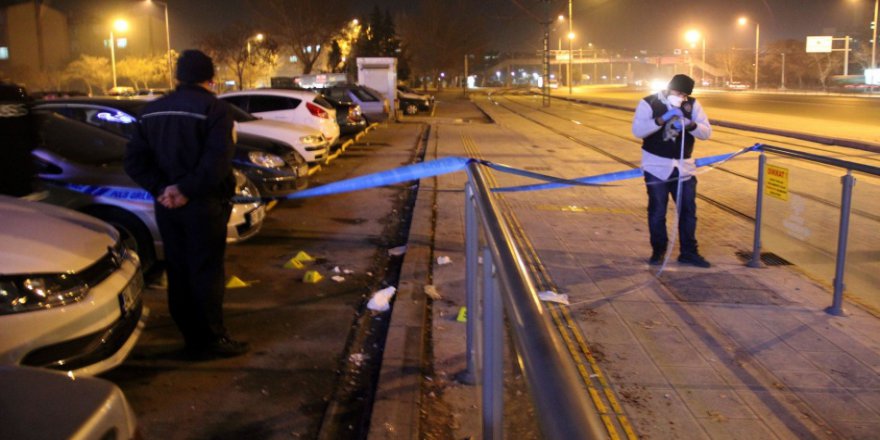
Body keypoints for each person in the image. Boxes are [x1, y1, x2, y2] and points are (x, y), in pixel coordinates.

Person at [124, 50, 249, 357]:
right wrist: (186, 190)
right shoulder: (216, 110)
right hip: (203, 206)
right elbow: (217, 162)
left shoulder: (150, 111)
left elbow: (135, 161)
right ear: (211, 78)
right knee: (206, 270)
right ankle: (210, 339)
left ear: (178, 77)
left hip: (167, 207)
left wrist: (163, 190)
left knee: (178, 271)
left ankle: (190, 335)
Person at [631, 74, 712, 268]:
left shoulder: (692, 105)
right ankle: (658, 250)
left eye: (684, 95)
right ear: (668, 89)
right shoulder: (648, 103)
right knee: (657, 211)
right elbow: (638, 131)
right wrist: (660, 120)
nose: (681, 97)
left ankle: (689, 252)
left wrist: (690, 124)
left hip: (684, 167)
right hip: (656, 166)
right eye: (678, 93)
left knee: (688, 211)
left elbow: (706, 132)